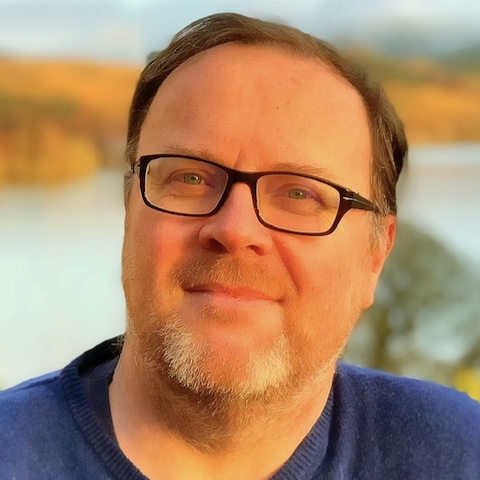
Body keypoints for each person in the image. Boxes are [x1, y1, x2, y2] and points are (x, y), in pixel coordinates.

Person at [1, 12, 479, 480]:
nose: (235, 229)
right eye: (189, 177)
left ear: (375, 256)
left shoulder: (459, 454)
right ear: (130, 207)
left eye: (299, 193)